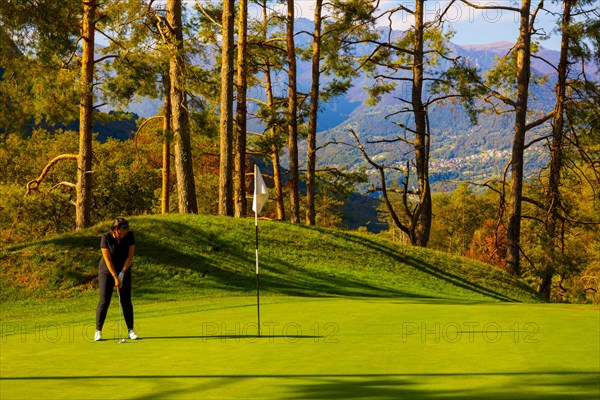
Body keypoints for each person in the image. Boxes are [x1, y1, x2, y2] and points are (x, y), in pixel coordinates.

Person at [94, 218, 138, 341]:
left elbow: (130, 256)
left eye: (125, 232)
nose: (123, 235)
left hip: (124, 269)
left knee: (126, 301)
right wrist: (115, 277)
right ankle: (98, 331)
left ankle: (131, 330)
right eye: (121, 232)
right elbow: (107, 260)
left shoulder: (129, 236)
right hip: (107, 272)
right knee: (104, 301)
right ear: (115, 229)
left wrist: (122, 274)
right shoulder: (105, 237)